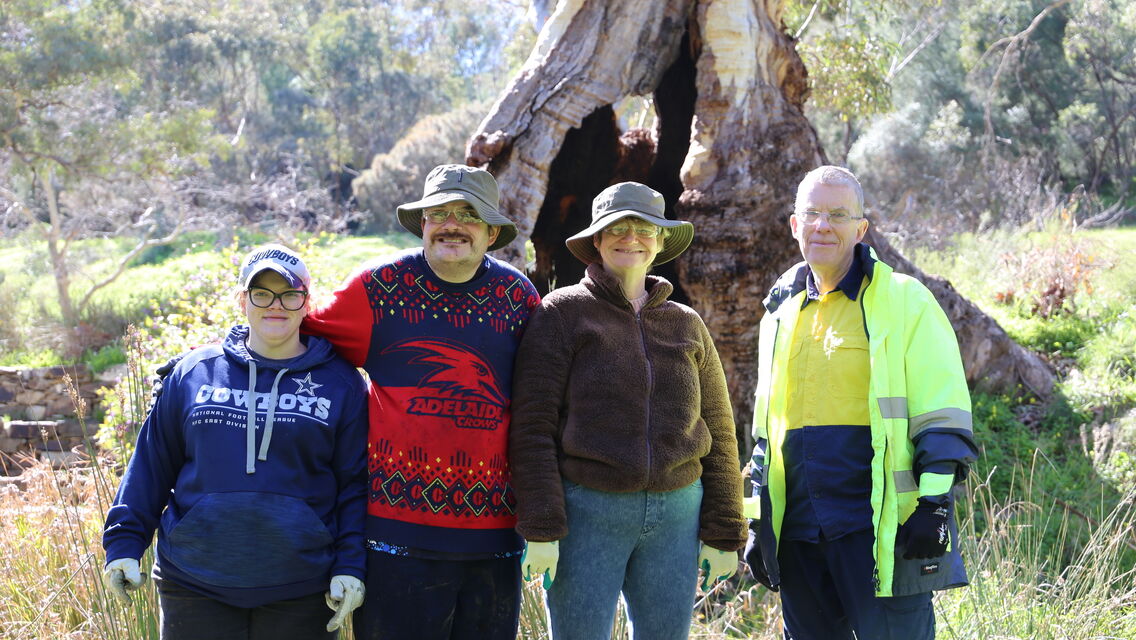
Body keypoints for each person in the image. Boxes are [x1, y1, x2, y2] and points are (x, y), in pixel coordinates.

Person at [301, 164, 541, 640]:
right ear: (424, 224)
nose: (453, 224)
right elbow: (296, 332)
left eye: (468, 214)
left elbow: (545, 397)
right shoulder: (377, 289)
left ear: (492, 232)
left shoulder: (519, 297)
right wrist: (218, 358)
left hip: (496, 539)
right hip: (395, 540)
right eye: (440, 213)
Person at [744, 166, 979, 639]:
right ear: (794, 225)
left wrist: (934, 504)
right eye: (811, 214)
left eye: (837, 214)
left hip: (882, 532)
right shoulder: (780, 312)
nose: (822, 225)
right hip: (799, 534)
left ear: (860, 229)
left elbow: (943, 412)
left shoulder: (906, 301)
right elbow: (765, 434)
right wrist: (758, 520)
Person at [509, 182, 747, 640]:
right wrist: (541, 525)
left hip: (678, 518)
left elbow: (718, 429)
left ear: (659, 242)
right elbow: (532, 426)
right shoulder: (562, 313)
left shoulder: (686, 323)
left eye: (644, 228)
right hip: (588, 513)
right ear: (596, 240)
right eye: (616, 228)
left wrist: (724, 529)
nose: (630, 237)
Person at [102, 244, 368, 639]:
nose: (275, 305)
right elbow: (151, 464)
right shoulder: (194, 373)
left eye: (290, 294)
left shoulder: (342, 384)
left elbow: (355, 486)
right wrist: (124, 543)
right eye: (262, 293)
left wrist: (350, 566)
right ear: (242, 299)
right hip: (193, 582)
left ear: (306, 302)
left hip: (302, 585)